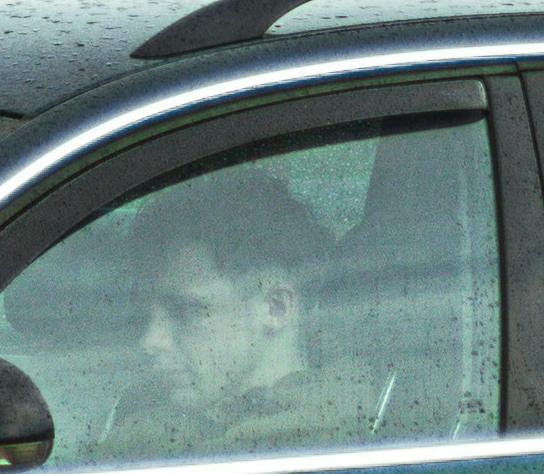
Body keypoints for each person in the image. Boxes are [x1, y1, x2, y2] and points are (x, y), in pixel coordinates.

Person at [92, 175, 390, 458]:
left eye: (187, 311)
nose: (151, 341)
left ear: (276, 308)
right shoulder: (136, 418)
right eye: (147, 313)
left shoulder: (334, 450)